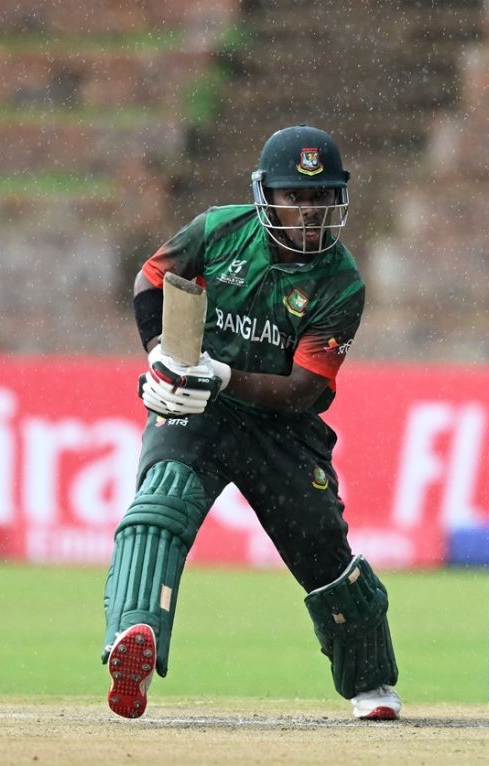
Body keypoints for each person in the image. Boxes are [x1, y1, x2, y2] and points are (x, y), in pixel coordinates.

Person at [101, 125, 401, 721]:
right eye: (296, 196)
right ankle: (133, 637)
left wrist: (221, 375)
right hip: (199, 410)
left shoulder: (341, 282)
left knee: (322, 548)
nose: (311, 211)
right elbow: (151, 280)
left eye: (322, 197)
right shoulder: (219, 231)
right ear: (267, 195)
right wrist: (160, 355)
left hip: (282, 428)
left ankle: (371, 684)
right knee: (159, 508)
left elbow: (303, 390)